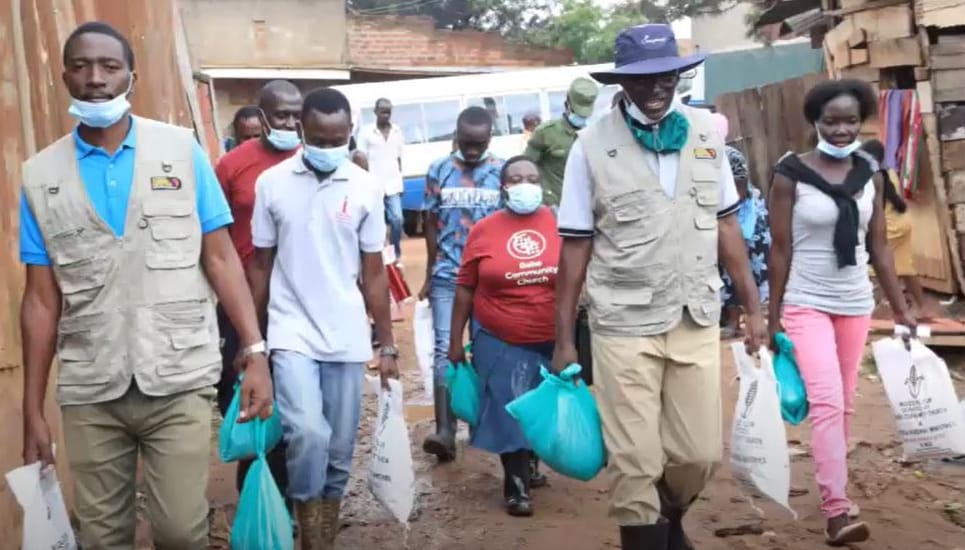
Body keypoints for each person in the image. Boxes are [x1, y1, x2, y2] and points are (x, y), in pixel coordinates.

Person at [18, 21, 273, 548]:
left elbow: (221, 258)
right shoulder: (39, 176)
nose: (95, 78)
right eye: (82, 66)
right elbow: (41, 300)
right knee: (102, 536)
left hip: (178, 376)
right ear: (64, 75)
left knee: (180, 530)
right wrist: (32, 411)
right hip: (91, 386)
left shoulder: (180, 150)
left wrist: (255, 352)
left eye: (109, 67)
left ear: (129, 77)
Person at [553, 24, 767, 549]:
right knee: (635, 460)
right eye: (642, 80)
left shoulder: (705, 134)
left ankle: (667, 519)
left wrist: (753, 307)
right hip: (622, 323)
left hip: (695, 314)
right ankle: (645, 529)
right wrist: (561, 339)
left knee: (698, 454)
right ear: (622, 82)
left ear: (679, 74)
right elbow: (575, 245)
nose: (655, 89)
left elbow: (726, 226)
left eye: (665, 76)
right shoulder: (591, 145)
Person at [247, 87, 399, 549]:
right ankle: (304, 519)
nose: (328, 148)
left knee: (338, 450)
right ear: (300, 129)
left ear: (350, 133)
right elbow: (259, 264)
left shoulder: (366, 187)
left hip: (347, 332)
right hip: (290, 329)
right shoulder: (271, 184)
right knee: (307, 433)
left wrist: (386, 344)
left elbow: (374, 274)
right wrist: (250, 341)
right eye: (319, 138)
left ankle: (320, 538)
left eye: (337, 140)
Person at [768, 79, 914, 546]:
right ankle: (837, 510)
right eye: (831, 121)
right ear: (815, 121)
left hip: (854, 303)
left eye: (850, 120)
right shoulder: (790, 173)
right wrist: (770, 318)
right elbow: (779, 248)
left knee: (846, 403)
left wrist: (901, 308)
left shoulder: (870, 172)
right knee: (827, 400)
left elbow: (880, 248)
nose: (841, 129)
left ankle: (836, 485)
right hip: (805, 302)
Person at [448, 156, 558, 517]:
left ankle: (530, 462)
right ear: (503, 187)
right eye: (515, 178)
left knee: (540, 405)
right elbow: (465, 288)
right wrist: (453, 342)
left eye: (531, 177)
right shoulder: (484, 230)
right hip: (498, 334)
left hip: (550, 333)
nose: (524, 184)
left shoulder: (558, 222)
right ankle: (515, 485)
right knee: (509, 405)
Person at [214, 79, 302, 505]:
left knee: (296, 401)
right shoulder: (232, 166)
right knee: (246, 399)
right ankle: (259, 502)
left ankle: (292, 498)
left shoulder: (313, 159)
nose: (290, 123)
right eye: (281, 115)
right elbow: (214, 238)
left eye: (296, 115)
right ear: (261, 115)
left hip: (300, 299)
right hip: (248, 298)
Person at [418, 106, 504, 462]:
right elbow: (430, 221)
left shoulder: (501, 171)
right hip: (447, 277)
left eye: (479, 144)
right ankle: (445, 431)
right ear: (456, 136)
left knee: (486, 353)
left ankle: (484, 429)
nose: (472, 150)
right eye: (467, 143)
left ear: (489, 138)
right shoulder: (438, 169)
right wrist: (428, 269)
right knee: (444, 351)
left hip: (488, 280)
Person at [860, 139, 940, 319]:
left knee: (873, 270)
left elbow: (873, 211)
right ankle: (921, 307)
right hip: (902, 223)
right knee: (905, 267)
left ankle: (869, 314)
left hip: (890, 228)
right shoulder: (889, 173)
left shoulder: (871, 178)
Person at [719, 146, 770, 339]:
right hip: (721, 221)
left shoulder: (730, 155)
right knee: (727, 274)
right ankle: (733, 322)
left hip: (748, 221)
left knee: (754, 271)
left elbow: (740, 186)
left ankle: (759, 317)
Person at [525, 77, 598, 207]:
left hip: (584, 205)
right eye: (578, 112)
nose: (581, 117)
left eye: (584, 115)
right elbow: (526, 167)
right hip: (553, 205)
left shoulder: (594, 134)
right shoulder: (545, 133)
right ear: (567, 104)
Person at [358, 98, 405, 261]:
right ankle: (380, 257)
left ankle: (396, 253)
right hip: (374, 185)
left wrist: (400, 180)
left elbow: (399, 158)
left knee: (397, 219)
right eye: (383, 112)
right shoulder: (366, 132)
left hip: (393, 185)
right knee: (376, 224)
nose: (386, 115)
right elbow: (360, 158)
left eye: (388, 112)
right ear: (375, 112)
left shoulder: (397, 131)